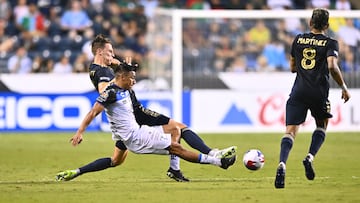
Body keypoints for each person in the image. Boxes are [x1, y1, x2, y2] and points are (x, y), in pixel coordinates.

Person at [56, 34, 236, 182]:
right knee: (178, 129)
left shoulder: (100, 67)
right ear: (100, 52)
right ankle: (214, 156)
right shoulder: (103, 74)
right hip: (135, 115)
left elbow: (118, 76)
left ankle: (77, 172)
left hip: (125, 121)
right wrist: (120, 78)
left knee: (116, 161)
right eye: (110, 52)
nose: (113, 54)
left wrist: (123, 67)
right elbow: (104, 92)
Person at [274, 8, 351, 189]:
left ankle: (282, 164)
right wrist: (343, 86)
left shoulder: (298, 39)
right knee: (322, 125)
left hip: (298, 91)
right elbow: (332, 66)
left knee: (290, 131)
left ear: (310, 23)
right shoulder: (331, 43)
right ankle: (309, 157)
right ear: (327, 25)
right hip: (318, 92)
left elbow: (293, 68)